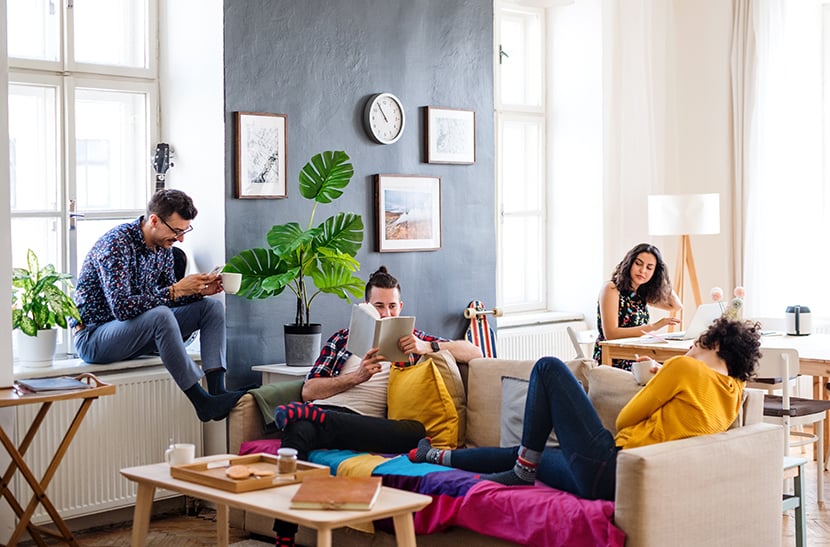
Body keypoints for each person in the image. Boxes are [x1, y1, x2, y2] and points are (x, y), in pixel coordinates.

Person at [409, 316, 761, 502]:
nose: (690, 349)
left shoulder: (685, 369)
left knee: (548, 368)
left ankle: (521, 470)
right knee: (526, 456)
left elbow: (625, 419)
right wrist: (662, 374)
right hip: (620, 484)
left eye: (697, 343)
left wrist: (666, 371)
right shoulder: (734, 394)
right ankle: (435, 456)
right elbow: (684, 416)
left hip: (611, 465)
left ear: (712, 343)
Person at [271, 265, 481, 547]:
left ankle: (307, 417)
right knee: (296, 435)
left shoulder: (413, 341)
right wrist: (356, 377)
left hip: (366, 426)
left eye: (392, 307)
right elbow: (309, 390)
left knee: (416, 432)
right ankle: (285, 536)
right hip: (325, 412)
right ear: (366, 307)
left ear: (401, 306)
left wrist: (425, 347)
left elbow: (474, 351)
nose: (386, 314)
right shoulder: (342, 339)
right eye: (379, 306)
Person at [71, 189, 247, 422]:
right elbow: (122, 308)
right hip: (94, 337)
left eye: (184, 231)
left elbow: (167, 298)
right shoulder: (116, 245)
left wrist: (197, 292)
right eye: (176, 231)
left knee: (210, 308)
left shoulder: (162, 248)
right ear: (154, 220)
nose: (180, 239)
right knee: (161, 315)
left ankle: (217, 392)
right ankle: (201, 402)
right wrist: (176, 290)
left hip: (135, 334)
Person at [594, 243, 682, 369]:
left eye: (649, 268)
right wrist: (654, 326)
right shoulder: (611, 289)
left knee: (677, 366)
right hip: (613, 359)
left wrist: (661, 278)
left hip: (636, 356)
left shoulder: (641, 294)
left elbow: (676, 305)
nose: (643, 270)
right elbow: (611, 334)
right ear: (629, 263)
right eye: (638, 264)